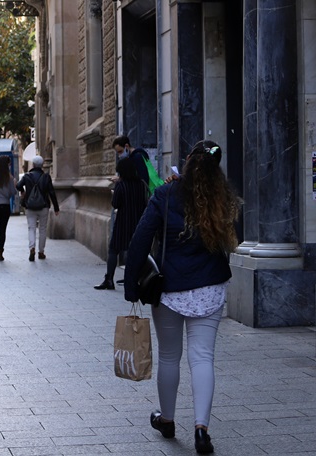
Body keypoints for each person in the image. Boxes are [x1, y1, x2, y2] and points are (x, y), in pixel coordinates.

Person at [124, 140, 239, 455]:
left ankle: (168, 419)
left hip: (170, 288)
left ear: (188, 163)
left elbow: (140, 239)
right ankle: (202, 430)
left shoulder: (165, 194)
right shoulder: (223, 197)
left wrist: (131, 285)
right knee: (202, 357)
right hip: (209, 287)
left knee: (170, 357)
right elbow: (231, 236)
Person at [95, 156, 149, 290]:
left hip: (123, 223)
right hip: (137, 222)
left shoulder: (121, 185)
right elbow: (144, 203)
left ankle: (109, 279)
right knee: (134, 251)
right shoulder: (141, 184)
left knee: (114, 250)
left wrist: (114, 192)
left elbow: (115, 203)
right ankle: (135, 278)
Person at [16, 155, 60, 261]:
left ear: (33, 165)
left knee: (31, 228)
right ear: (41, 166)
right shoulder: (46, 177)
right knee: (43, 229)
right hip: (43, 206)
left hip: (30, 206)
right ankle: (41, 252)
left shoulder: (27, 176)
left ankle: (32, 248)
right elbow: (51, 192)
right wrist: (56, 207)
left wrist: (23, 191)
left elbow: (18, 185)